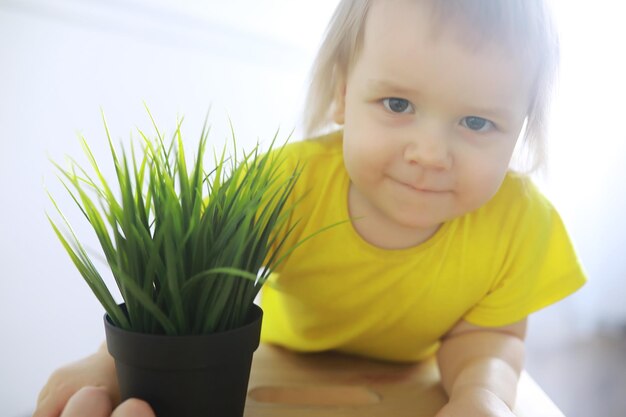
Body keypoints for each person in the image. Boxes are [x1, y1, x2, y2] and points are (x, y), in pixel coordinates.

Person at [34, 0, 586, 416]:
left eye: (477, 123)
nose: (429, 155)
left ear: (520, 130)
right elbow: (182, 286)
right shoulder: (286, 184)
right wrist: (110, 363)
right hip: (273, 361)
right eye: (397, 104)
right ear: (343, 94)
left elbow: (488, 338)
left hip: (409, 374)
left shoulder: (519, 224)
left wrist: (483, 394)